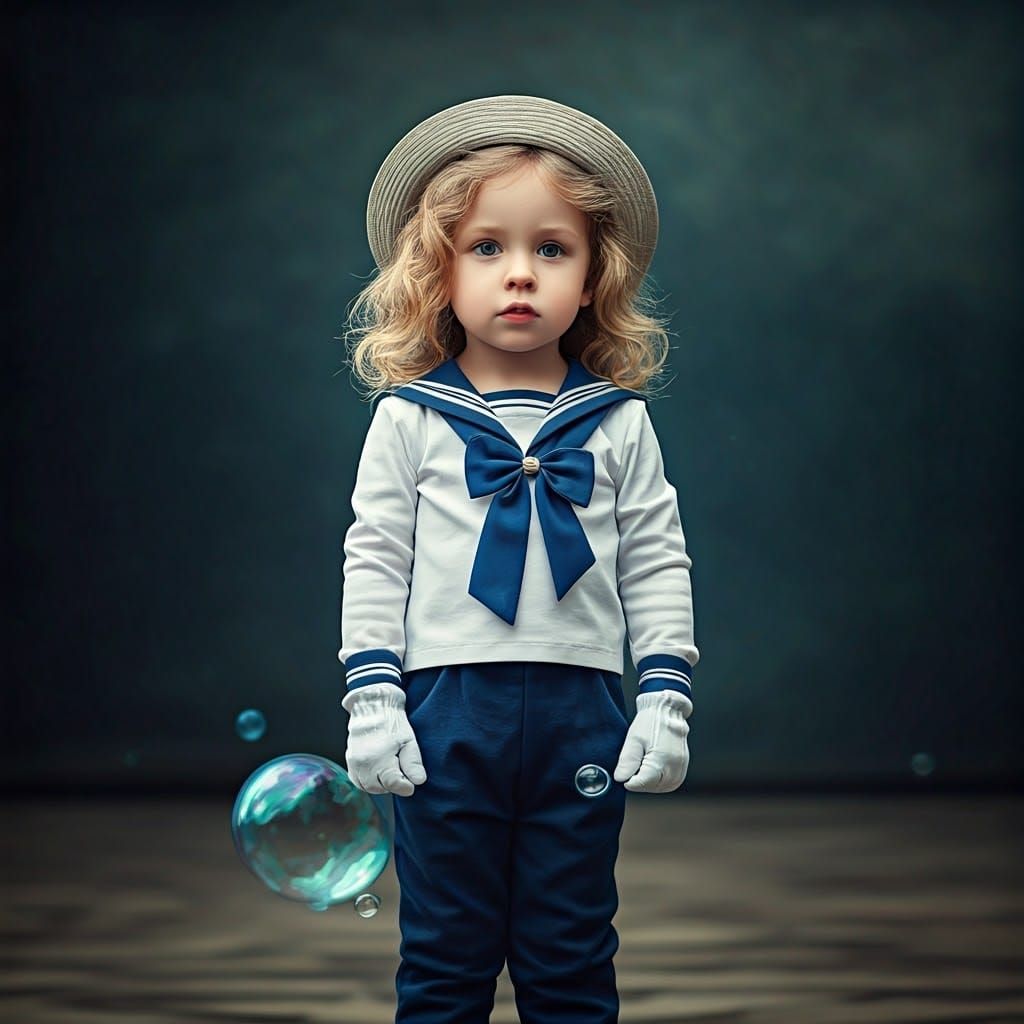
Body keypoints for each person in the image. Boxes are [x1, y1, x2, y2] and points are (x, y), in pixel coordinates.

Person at [337, 95, 700, 1024]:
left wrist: (663, 696)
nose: (519, 275)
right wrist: (374, 699)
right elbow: (374, 559)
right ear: (438, 270)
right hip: (445, 712)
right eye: (486, 247)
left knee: (573, 960)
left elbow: (657, 561)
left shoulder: (620, 423)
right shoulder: (409, 419)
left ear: (593, 276)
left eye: (552, 248)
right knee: (445, 963)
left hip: (582, 711)